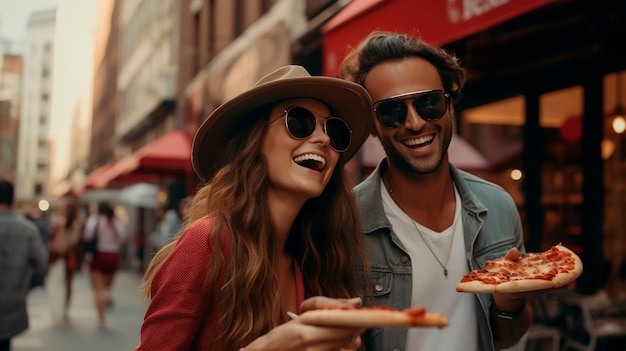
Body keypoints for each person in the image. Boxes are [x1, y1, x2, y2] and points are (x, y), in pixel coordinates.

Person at [136, 65, 374, 351]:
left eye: (334, 131)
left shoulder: (313, 256)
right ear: (256, 140)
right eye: (299, 121)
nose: (323, 139)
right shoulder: (208, 242)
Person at [338, 31, 532, 351]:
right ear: (372, 125)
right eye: (392, 111)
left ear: (450, 103)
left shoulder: (499, 206)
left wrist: (509, 305)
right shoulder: (344, 223)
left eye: (428, 102)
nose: (414, 123)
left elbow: (509, 338)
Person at [0, 180, 47, 351]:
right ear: (13, 200)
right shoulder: (28, 229)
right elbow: (41, 265)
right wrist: (26, 286)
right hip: (13, 302)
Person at [82, 201, 126, 327]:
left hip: (98, 254)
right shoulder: (115, 221)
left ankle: (100, 316)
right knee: (108, 286)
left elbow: (87, 236)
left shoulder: (94, 220)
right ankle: (107, 296)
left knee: (97, 288)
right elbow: (122, 238)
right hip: (113, 255)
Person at [46, 201, 85, 322]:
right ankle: (64, 308)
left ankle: (63, 307)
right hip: (67, 255)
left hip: (66, 255)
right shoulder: (67, 223)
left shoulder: (68, 224)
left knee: (64, 283)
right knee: (67, 283)